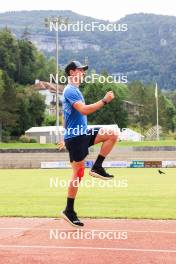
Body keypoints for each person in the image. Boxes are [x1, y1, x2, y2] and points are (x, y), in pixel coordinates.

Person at [59, 61, 118, 227]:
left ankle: (97, 166)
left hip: (81, 133)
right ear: (71, 72)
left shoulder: (75, 90)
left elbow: (66, 115)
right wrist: (104, 101)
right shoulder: (70, 90)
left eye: (84, 71)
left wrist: (64, 136)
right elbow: (84, 110)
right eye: (80, 70)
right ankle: (68, 211)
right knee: (78, 174)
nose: (83, 73)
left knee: (112, 134)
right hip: (76, 138)